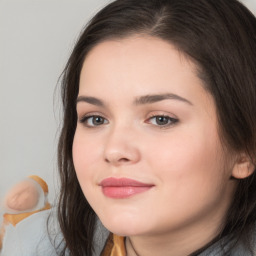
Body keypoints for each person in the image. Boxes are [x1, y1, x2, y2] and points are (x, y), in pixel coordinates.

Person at [56, 0, 256, 255]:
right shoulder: (31, 243)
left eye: (161, 119)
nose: (114, 150)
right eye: (95, 119)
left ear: (245, 148)